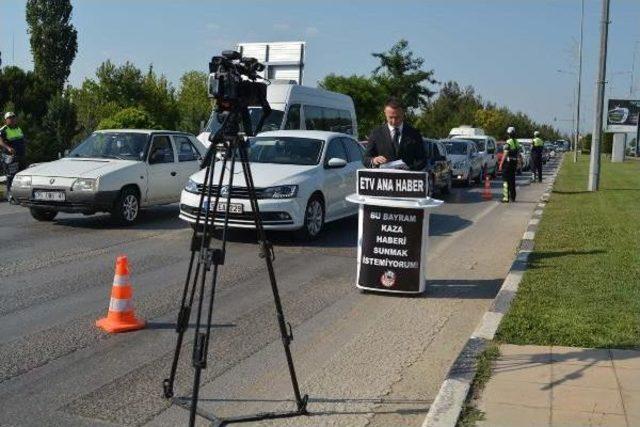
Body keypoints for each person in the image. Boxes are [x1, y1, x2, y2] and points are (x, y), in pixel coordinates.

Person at [363, 98, 427, 171]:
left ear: (403, 113)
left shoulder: (414, 134)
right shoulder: (376, 133)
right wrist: (374, 160)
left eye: (397, 117)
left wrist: (410, 168)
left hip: (407, 179)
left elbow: (422, 160)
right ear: (385, 113)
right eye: (390, 117)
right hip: (384, 179)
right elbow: (365, 159)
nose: (394, 121)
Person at [0, 112, 27, 198]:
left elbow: (21, 139)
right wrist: (8, 148)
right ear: (6, 120)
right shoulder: (3, 129)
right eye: (10, 118)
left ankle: (21, 193)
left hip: (21, 155)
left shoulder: (18, 128)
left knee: (22, 174)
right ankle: (10, 193)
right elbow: (0, 141)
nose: (12, 119)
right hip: (10, 156)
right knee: (11, 175)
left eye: (13, 117)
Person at [499, 126, 520, 203]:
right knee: (512, 180)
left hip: (507, 164)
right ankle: (513, 197)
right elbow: (518, 154)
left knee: (505, 181)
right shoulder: (516, 142)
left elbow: (505, 154)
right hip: (514, 163)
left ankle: (505, 198)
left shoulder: (508, 142)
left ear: (508, 134)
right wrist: (519, 163)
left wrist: (501, 164)